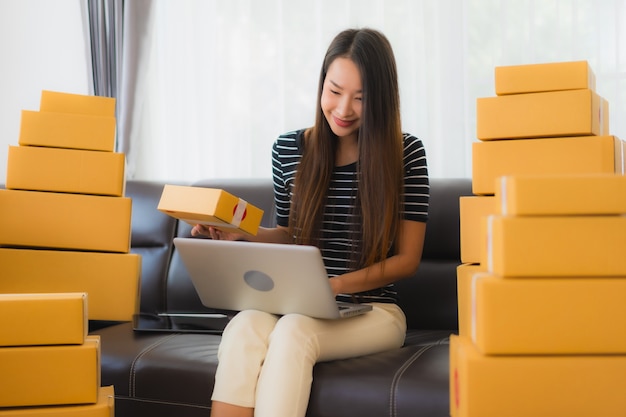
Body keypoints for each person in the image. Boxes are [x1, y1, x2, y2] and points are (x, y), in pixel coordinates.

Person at [191, 27, 429, 417]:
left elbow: (408, 260)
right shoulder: (289, 148)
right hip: (300, 303)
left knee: (293, 331)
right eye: (334, 91)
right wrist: (242, 233)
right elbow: (290, 235)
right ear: (322, 84)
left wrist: (330, 287)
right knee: (246, 324)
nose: (343, 109)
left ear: (382, 100)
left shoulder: (405, 154)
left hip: (373, 311)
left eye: (361, 98)